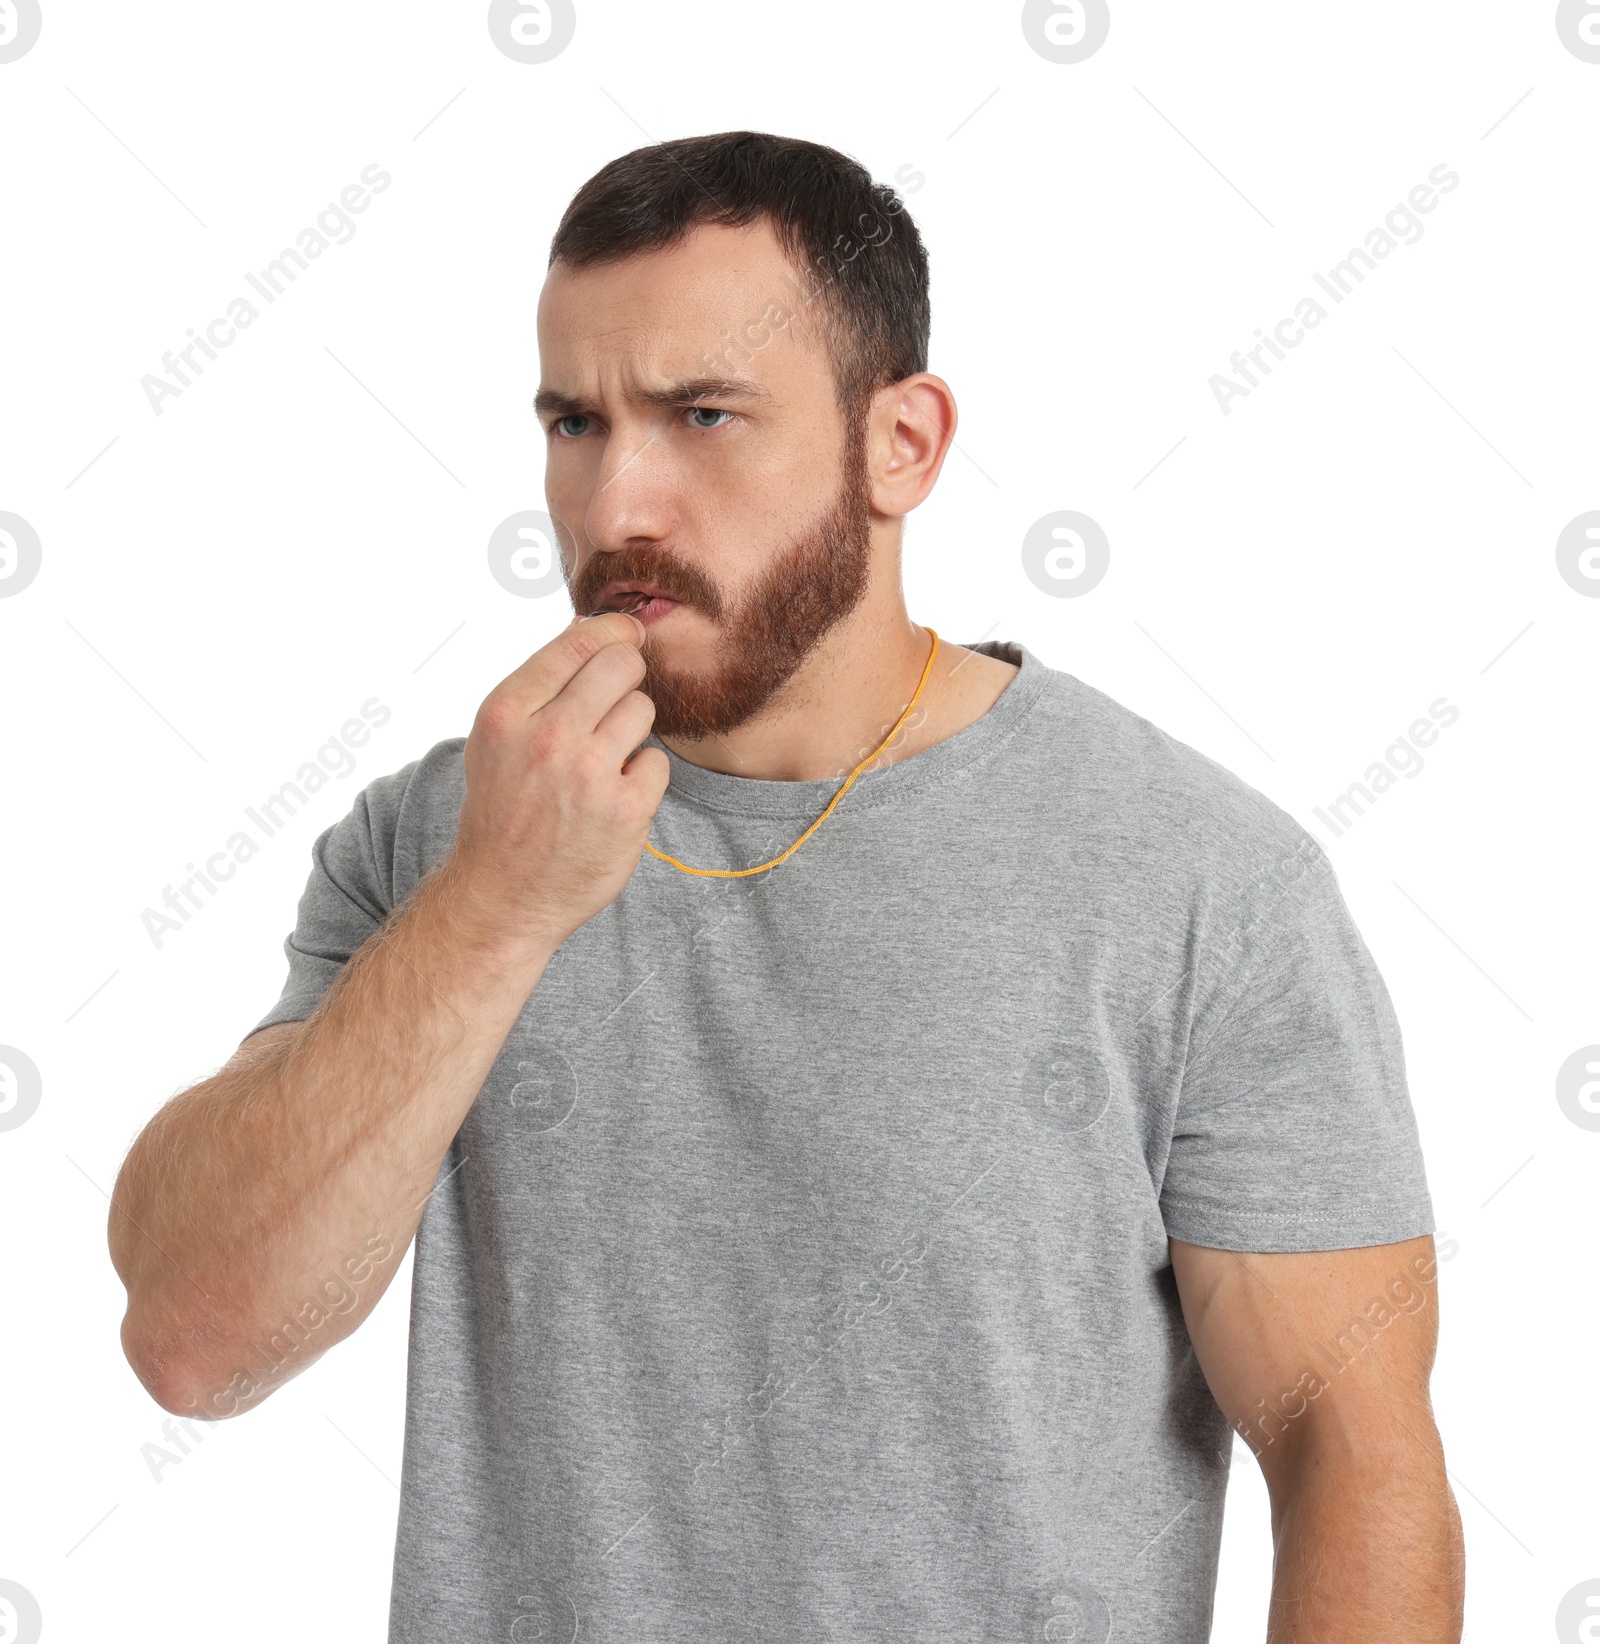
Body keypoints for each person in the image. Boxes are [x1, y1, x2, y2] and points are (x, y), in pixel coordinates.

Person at [108, 132, 1463, 1642]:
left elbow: (1355, 1461)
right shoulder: (444, 842)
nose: (619, 499)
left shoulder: (1202, 884)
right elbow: (195, 1342)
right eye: (574, 421)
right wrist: (495, 907)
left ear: (903, 445)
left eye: (701, 415)